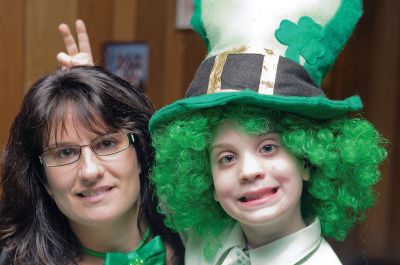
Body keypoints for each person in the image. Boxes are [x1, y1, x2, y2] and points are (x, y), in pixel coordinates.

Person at [147, 0, 387, 264]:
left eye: (268, 147)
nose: (249, 171)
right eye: (226, 158)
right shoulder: (207, 237)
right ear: (207, 180)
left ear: (307, 160)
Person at [0, 66, 184, 265]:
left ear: (140, 153)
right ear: (43, 178)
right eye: (65, 153)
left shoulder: (198, 243)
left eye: (106, 144)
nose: (90, 171)